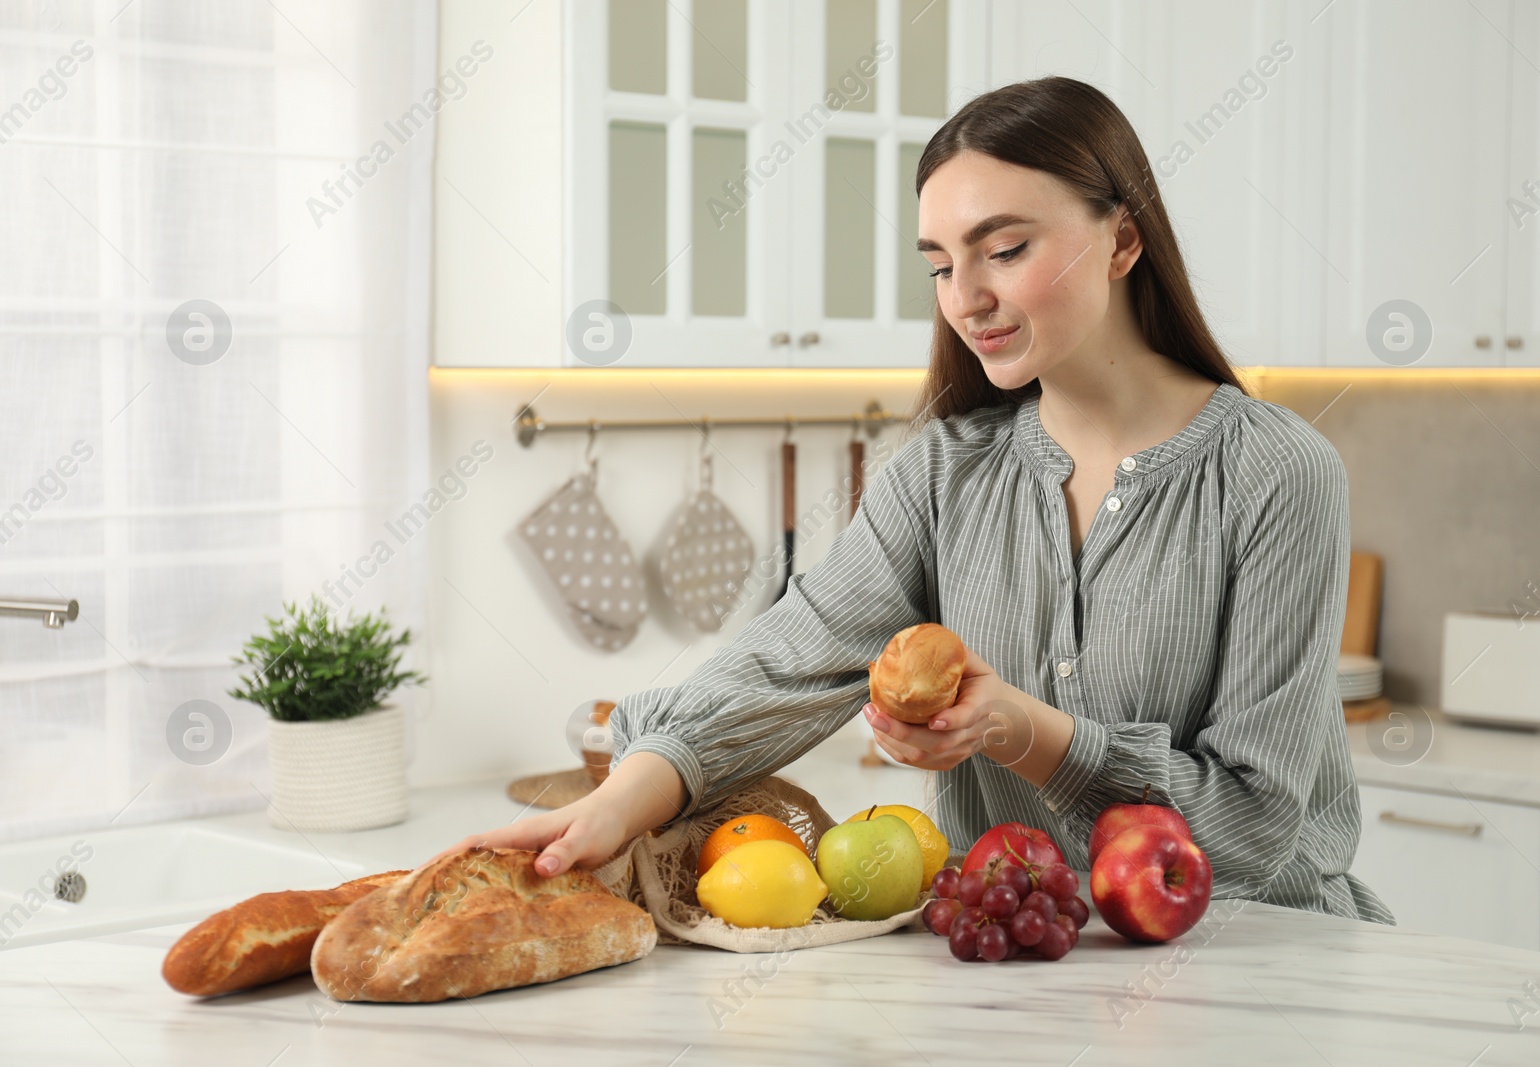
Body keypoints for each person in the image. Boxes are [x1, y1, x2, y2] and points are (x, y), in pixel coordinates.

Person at [430, 76, 1394, 925]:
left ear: (1123, 238)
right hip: (1021, 960)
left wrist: (1023, 732)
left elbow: (1252, 826)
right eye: (939, 264)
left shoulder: (1275, 474)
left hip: (1262, 964)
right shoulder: (941, 474)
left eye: (1003, 249)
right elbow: (785, 661)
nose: (964, 295)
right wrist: (621, 799)